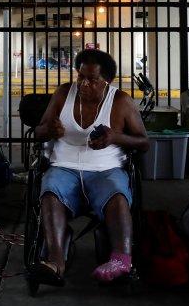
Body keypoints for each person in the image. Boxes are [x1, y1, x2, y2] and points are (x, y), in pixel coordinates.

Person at [29, 49, 150, 287]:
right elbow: (38, 131)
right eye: (80, 77)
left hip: (105, 169)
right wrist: (50, 130)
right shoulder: (64, 94)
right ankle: (55, 263)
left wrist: (115, 137)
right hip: (63, 166)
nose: (84, 84)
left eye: (92, 80)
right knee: (51, 189)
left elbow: (143, 142)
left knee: (117, 191)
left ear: (107, 81)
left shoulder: (121, 101)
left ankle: (122, 260)